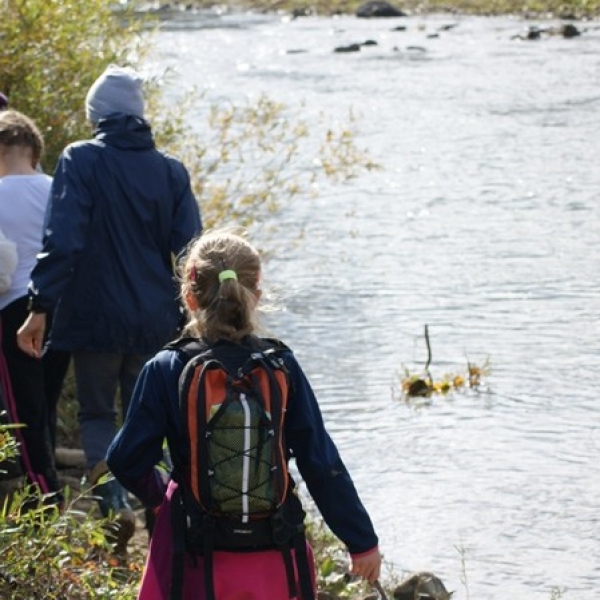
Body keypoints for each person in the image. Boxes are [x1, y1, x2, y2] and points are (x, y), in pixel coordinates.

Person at [106, 230, 382, 599]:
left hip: (193, 548)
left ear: (189, 297)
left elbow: (125, 459)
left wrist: (160, 496)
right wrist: (361, 541)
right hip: (274, 548)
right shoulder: (281, 365)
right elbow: (320, 462)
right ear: (257, 296)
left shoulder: (166, 367)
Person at [17, 65, 202, 551]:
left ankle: (112, 501)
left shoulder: (80, 159)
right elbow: (191, 251)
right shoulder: (171, 170)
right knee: (152, 417)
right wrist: (199, 315)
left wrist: (40, 305)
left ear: (96, 114)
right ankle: (159, 509)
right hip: (155, 319)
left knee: (98, 413)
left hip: (93, 316)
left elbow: (63, 240)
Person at [0, 109, 68, 501]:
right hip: (59, 305)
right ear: (35, 151)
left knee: (23, 412)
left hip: (13, 309)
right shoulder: (57, 189)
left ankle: (45, 498)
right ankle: (48, 488)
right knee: (46, 403)